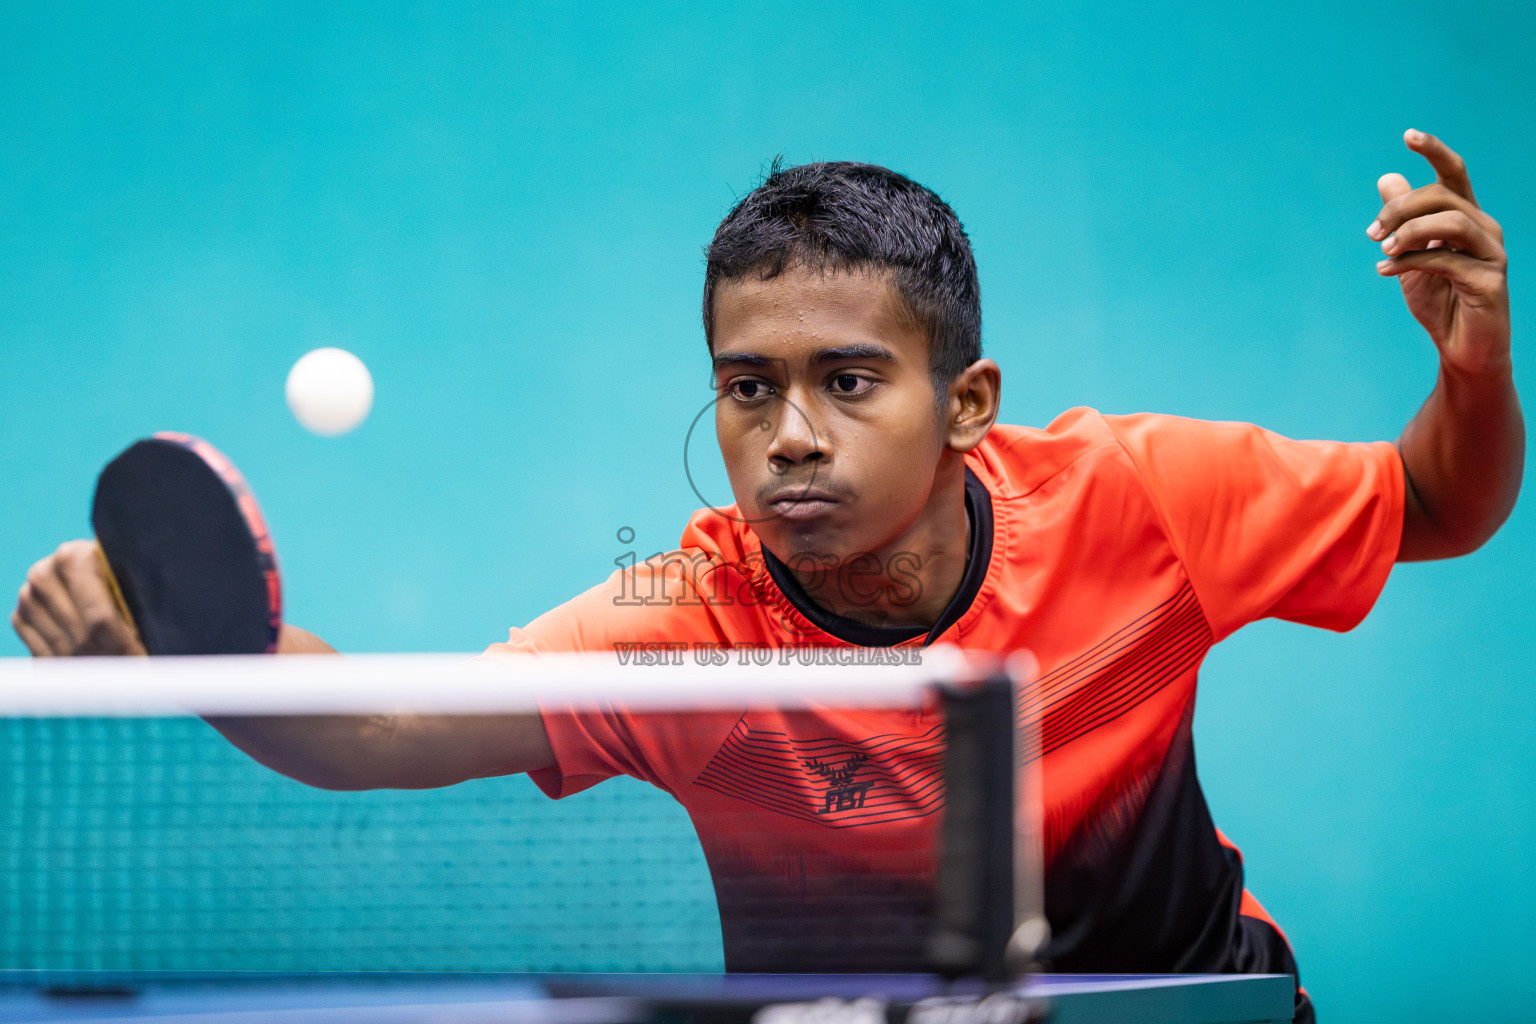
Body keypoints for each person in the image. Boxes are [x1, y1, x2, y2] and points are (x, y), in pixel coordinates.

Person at [12, 131, 1519, 1023]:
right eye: (748, 389)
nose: (790, 439)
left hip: (1182, 1011)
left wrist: (1476, 365)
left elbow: (1444, 500)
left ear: (970, 401)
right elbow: (377, 732)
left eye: (849, 381)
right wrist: (186, 653)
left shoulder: (1143, 497)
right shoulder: (691, 632)